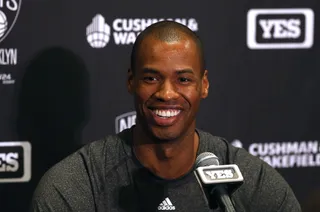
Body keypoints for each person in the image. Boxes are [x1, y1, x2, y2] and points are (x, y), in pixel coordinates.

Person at [30, 21, 301, 212]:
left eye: (183, 79)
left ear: (203, 85)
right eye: (151, 78)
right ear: (131, 81)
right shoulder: (73, 187)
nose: (167, 93)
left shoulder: (252, 185)